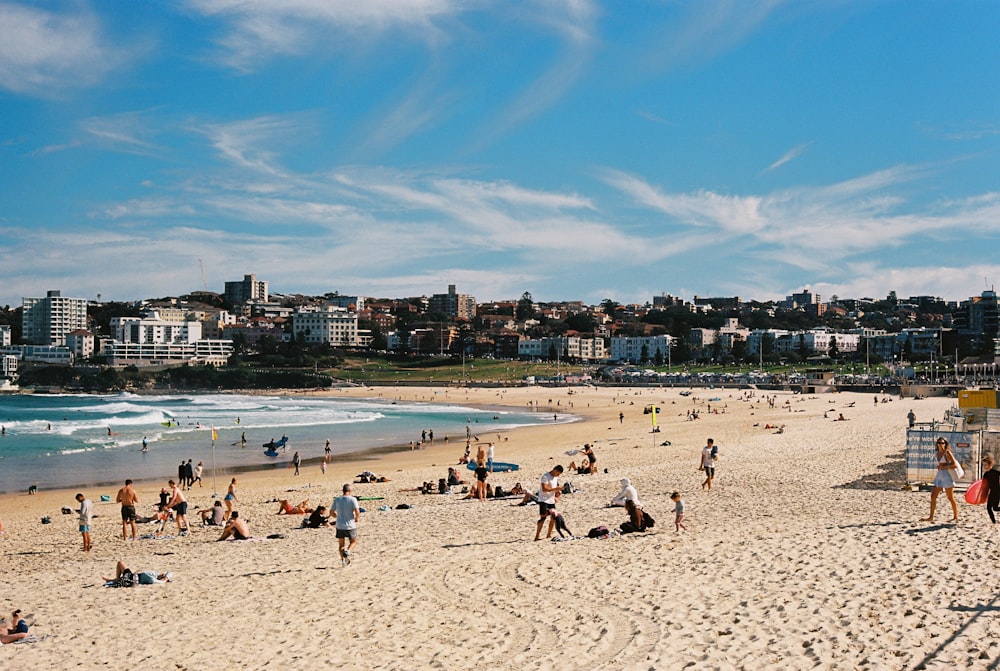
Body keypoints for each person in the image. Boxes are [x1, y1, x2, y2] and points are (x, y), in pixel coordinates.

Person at [921, 437, 960, 523]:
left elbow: (954, 465)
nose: (940, 444)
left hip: (947, 476)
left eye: (942, 443)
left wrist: (943, 467)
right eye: (939, 443)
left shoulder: (947, 453)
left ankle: (955, 516)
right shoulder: (937, 453)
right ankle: (931, 517)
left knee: (950, 497)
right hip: (940, 476)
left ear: (945, 444)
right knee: (933, 496)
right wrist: (940, 467)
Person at [331, 483, 360, 564]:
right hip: (350, 524)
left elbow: (331, 512)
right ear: (350, 491)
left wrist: (337, 516)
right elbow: (357, 511)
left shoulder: (337, 499)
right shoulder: (352, 499)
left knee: (341, 544)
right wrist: (356, 518)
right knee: (353, 541)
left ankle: (343, 561)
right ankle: (348, 552)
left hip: (340, 525)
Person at [534, 465, 563, 541]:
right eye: (558, 473)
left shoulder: (556, 478)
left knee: (554, 517)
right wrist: (556, 489)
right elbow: (544, 489)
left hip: (551, 500)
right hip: (543, 500)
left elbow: (555, 488)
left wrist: (557, 494)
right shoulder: (545, 476)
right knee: (543, 518)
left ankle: (549, 534)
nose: (558, 475)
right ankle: (537, 536)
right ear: (555, 470)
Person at [103, 560, 172, 586]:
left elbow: (162, 582)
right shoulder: (155, 574)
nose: (163, 574)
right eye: (164, 573)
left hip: (131, 579)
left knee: (120, 563)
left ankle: (115, 579)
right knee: (120, 562)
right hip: (132, 575)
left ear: (162, 578)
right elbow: (170, 572)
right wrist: (167, 576)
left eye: (163, 575)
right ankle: (114, 579)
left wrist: (166, 578)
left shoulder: (153, 579)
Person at [982, 454, 1000, 524]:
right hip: (992, 491)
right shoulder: (985, 475)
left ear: (990, 465)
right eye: (983, 465)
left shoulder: (996, 472)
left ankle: (994, 522)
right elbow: (984, 486)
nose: (984, 467)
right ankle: (993, 522)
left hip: (998, 491)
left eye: (985, 465)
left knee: (995, 508)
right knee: (990, 508)